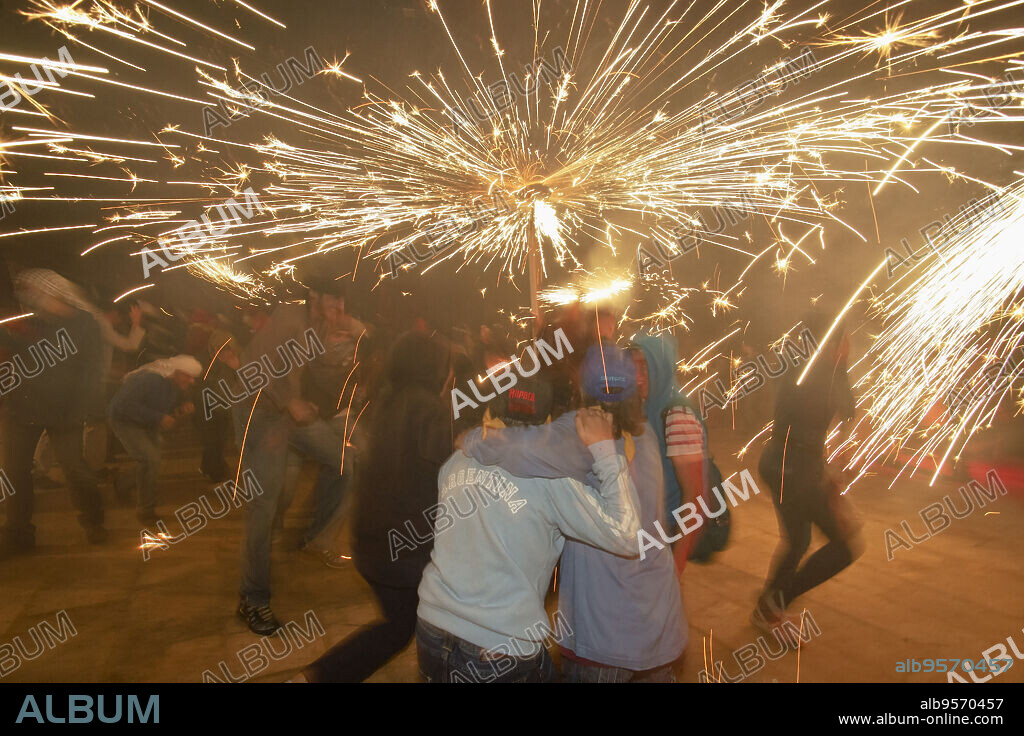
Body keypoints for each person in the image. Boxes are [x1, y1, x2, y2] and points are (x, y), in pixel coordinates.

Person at [462, 344, 687, 682]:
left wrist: (470, 440)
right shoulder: (645, 432)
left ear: (583, 387)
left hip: (607, 634)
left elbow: (515, 448)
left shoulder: (580, 435)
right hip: (660, 622)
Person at [416, 377, 642, 682]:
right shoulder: (552, 480)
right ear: (548, 422)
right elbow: (627, 535)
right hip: (498, 648)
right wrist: (605, 451)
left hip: (431, 628)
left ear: (491, 410)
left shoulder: (458, 459)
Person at [296, 331, 452, 682]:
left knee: (401, 625)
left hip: (371, 537)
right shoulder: (429, 407)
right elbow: (442, 472)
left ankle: (316, 677)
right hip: (404, 547)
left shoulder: (389, 400)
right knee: (414, 625)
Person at [232, 277, 348, 635]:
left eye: (342, 307)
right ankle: (252, 600)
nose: (338, 313)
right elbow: (252, 363)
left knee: (342, 460)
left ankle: (314, 538)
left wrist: (306, 399)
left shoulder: (314, 325)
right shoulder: (289, 316)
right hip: (258, 411)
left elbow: (300, 369)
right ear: (314, 296)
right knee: (264, 505)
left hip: (286, 414)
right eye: (333, 305)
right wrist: (289, 401)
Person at [753, 314, 864, 646]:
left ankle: (769, 610)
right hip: (794, 470)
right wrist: (831, 485)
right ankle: (773, 604)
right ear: (831, 343)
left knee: (798, 540)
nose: (848, 347)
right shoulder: (819, 375)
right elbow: (848, 410)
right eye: (843, 340)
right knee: (844, 546)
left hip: (782, 463)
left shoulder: (802, 367)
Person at [0, 269, 106, 555]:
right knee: (14, 471)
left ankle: (94, 520)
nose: (30, 299)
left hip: (65, 411)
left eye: (35, 293)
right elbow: (13, 351)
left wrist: (81, 408)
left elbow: (91, 370)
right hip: (23, 409)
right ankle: (18, 533)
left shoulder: (84, 324)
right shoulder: (26, 321)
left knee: (74, 467)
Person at [630, 332, 709, 566]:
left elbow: (695, 497)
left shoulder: (677, 416)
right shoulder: (649, 404)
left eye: (645, 367)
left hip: (668, 534)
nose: (636, 376)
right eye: (632, 366)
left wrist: (677, 564)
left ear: (661, 368)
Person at [108, 355, 201, 525]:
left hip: (145, 421)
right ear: (177, 372)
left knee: (151, 461)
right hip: (125, 420)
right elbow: (124, 405)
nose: (191, 381)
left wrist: (181, 408)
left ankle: (122, 484)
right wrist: (158, 417)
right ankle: (146, 510)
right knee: (151, 459)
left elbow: (163, 403)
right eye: (188, 376)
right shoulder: (150, 379)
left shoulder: (172, 383)